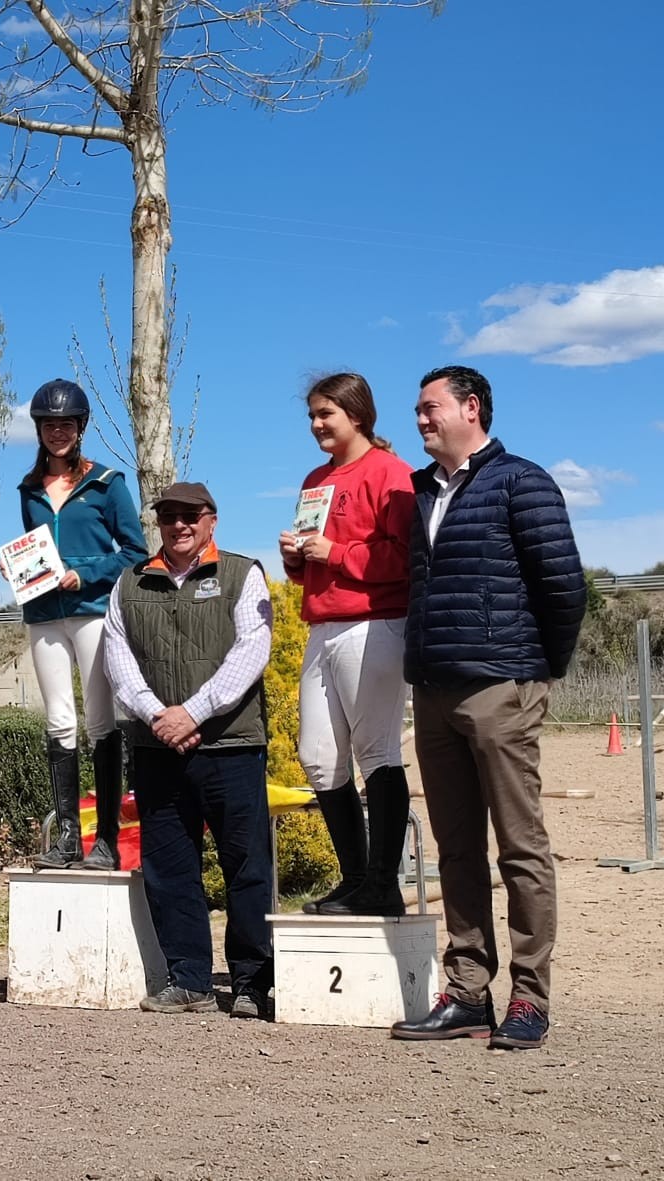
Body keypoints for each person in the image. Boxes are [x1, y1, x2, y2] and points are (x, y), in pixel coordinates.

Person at [390, 366, 585, 1051]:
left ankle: (529, 998)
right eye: (415, 409)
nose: (418, 418)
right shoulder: (417, 493)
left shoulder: (520, 481)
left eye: (429, 407)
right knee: (456, 850)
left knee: (520, 846)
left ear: (470, 408)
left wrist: (534, 669)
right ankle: (467, 992)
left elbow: (562, 584)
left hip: (500, 684)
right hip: (434, 689)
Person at [102, 482, 274, 1018]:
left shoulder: (244, 574)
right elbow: (117, 658)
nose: (179, 525)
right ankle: (190, 979)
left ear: (211, 520)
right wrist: (159, 716)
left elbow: (253, 650)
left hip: (231, 745)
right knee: (169, 868)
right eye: (169, 516)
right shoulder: (129, 583)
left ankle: (251, 983)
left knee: (247, 867)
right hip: (157, 749)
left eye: (190, 516)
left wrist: (193, 713)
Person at [278, 373, 416, 917]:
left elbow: (405, 559)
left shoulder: (392, 473)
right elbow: (311, 566)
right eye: (312, 415)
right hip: (323, 626)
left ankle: (384, 885)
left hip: (375, 624)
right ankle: (356, 880)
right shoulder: (315, 478)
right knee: (318, 756)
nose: (315, 425)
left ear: (357, 414)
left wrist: (334, 553)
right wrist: (295, 557)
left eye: (325, 414)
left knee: (378, 751)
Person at [16, 379, 148, 871]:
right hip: (43, 615)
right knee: (58, 719)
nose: (57, 432)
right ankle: (68, 837)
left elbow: (135, 553)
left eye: (66, 424)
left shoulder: (108, 483)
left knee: (100, 718)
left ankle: (108, 839)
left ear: (81, 427)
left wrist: (85, 573)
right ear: (38, 429)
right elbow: (33, 550)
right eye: (49, 424)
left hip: (92, 611)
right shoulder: (27, 490)